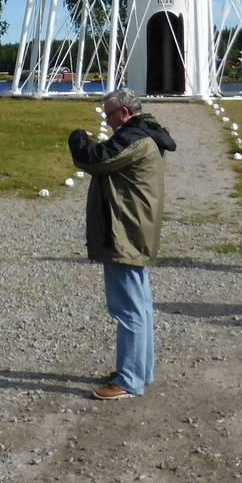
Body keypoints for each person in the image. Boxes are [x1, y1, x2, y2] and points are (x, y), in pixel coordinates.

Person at [67, 87, 177, 401]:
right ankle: (140, 371)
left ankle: (129, 380)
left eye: (110, 115)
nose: (108, 121)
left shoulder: (134, 140)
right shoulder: (148, 135)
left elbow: (95, 159)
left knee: (127, 309)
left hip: (125, 234)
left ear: (125, 113)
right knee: (139, 306)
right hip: (134, 231)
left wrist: (78, 138)